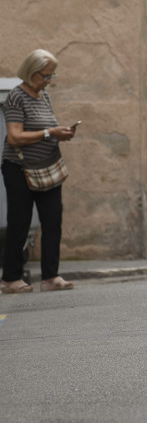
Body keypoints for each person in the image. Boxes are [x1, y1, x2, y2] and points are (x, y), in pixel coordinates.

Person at [1, 49, 75, 294]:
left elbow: (48, 128)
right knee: (19, 222)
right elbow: (14, 137)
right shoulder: (15, 97)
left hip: (47, 168)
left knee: (53, 220)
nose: (48, 81)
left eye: (51, 76)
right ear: (31, 73)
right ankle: (10, 279)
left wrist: (61, 133)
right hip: (20, 169)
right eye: (45, 76)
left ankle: (50, 277)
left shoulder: (44, 97)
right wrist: (49, 133)